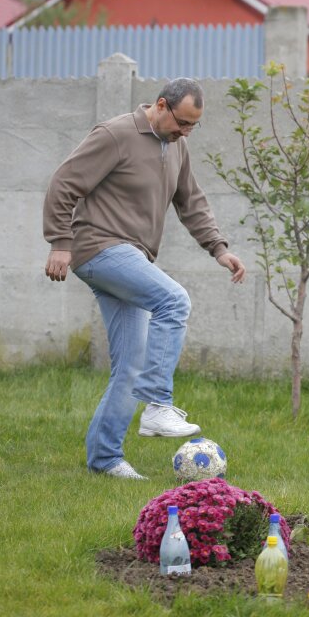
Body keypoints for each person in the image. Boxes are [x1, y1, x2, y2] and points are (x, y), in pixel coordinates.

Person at [43, 78, 246, 480]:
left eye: (193, 126)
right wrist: (59, 243)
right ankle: (158, 405)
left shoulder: (177, 147)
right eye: (182, 122)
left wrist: (219, 249)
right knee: (174, 300)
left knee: (130, 365)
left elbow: (192, 202)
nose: (186, 132)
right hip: (99, 248)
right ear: (160, 105)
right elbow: (64, 183)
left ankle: (105, 459)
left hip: (131, 257)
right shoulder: (115, 134)